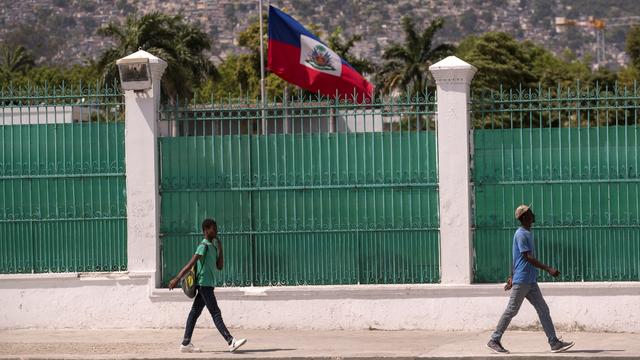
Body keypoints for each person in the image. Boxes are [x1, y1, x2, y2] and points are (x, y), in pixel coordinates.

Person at [486, 205, 574, 354]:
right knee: (511, 310)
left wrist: (510, 276)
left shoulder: (527, 233)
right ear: (524, 217)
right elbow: (527, 257)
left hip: (530, 280)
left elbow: (515, 257)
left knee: (543, 309)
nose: (533, 214)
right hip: (522, 280)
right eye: (530, 212)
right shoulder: (521, 234)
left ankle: (554, 342)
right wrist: (548, 268)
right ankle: (494, 340)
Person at [169, 218, 247, 353]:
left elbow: (219, 266)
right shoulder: (203, 246)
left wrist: (220, 248)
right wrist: (177, 278)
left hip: (208, 285)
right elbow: (191, 263)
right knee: (216, 313)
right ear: (206, 230)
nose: (216, 230)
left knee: (194, 313)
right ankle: (230, 341)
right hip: (203, 284)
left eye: (216, 227)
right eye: (213, 228)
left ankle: (186, 343)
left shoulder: (212, 246)